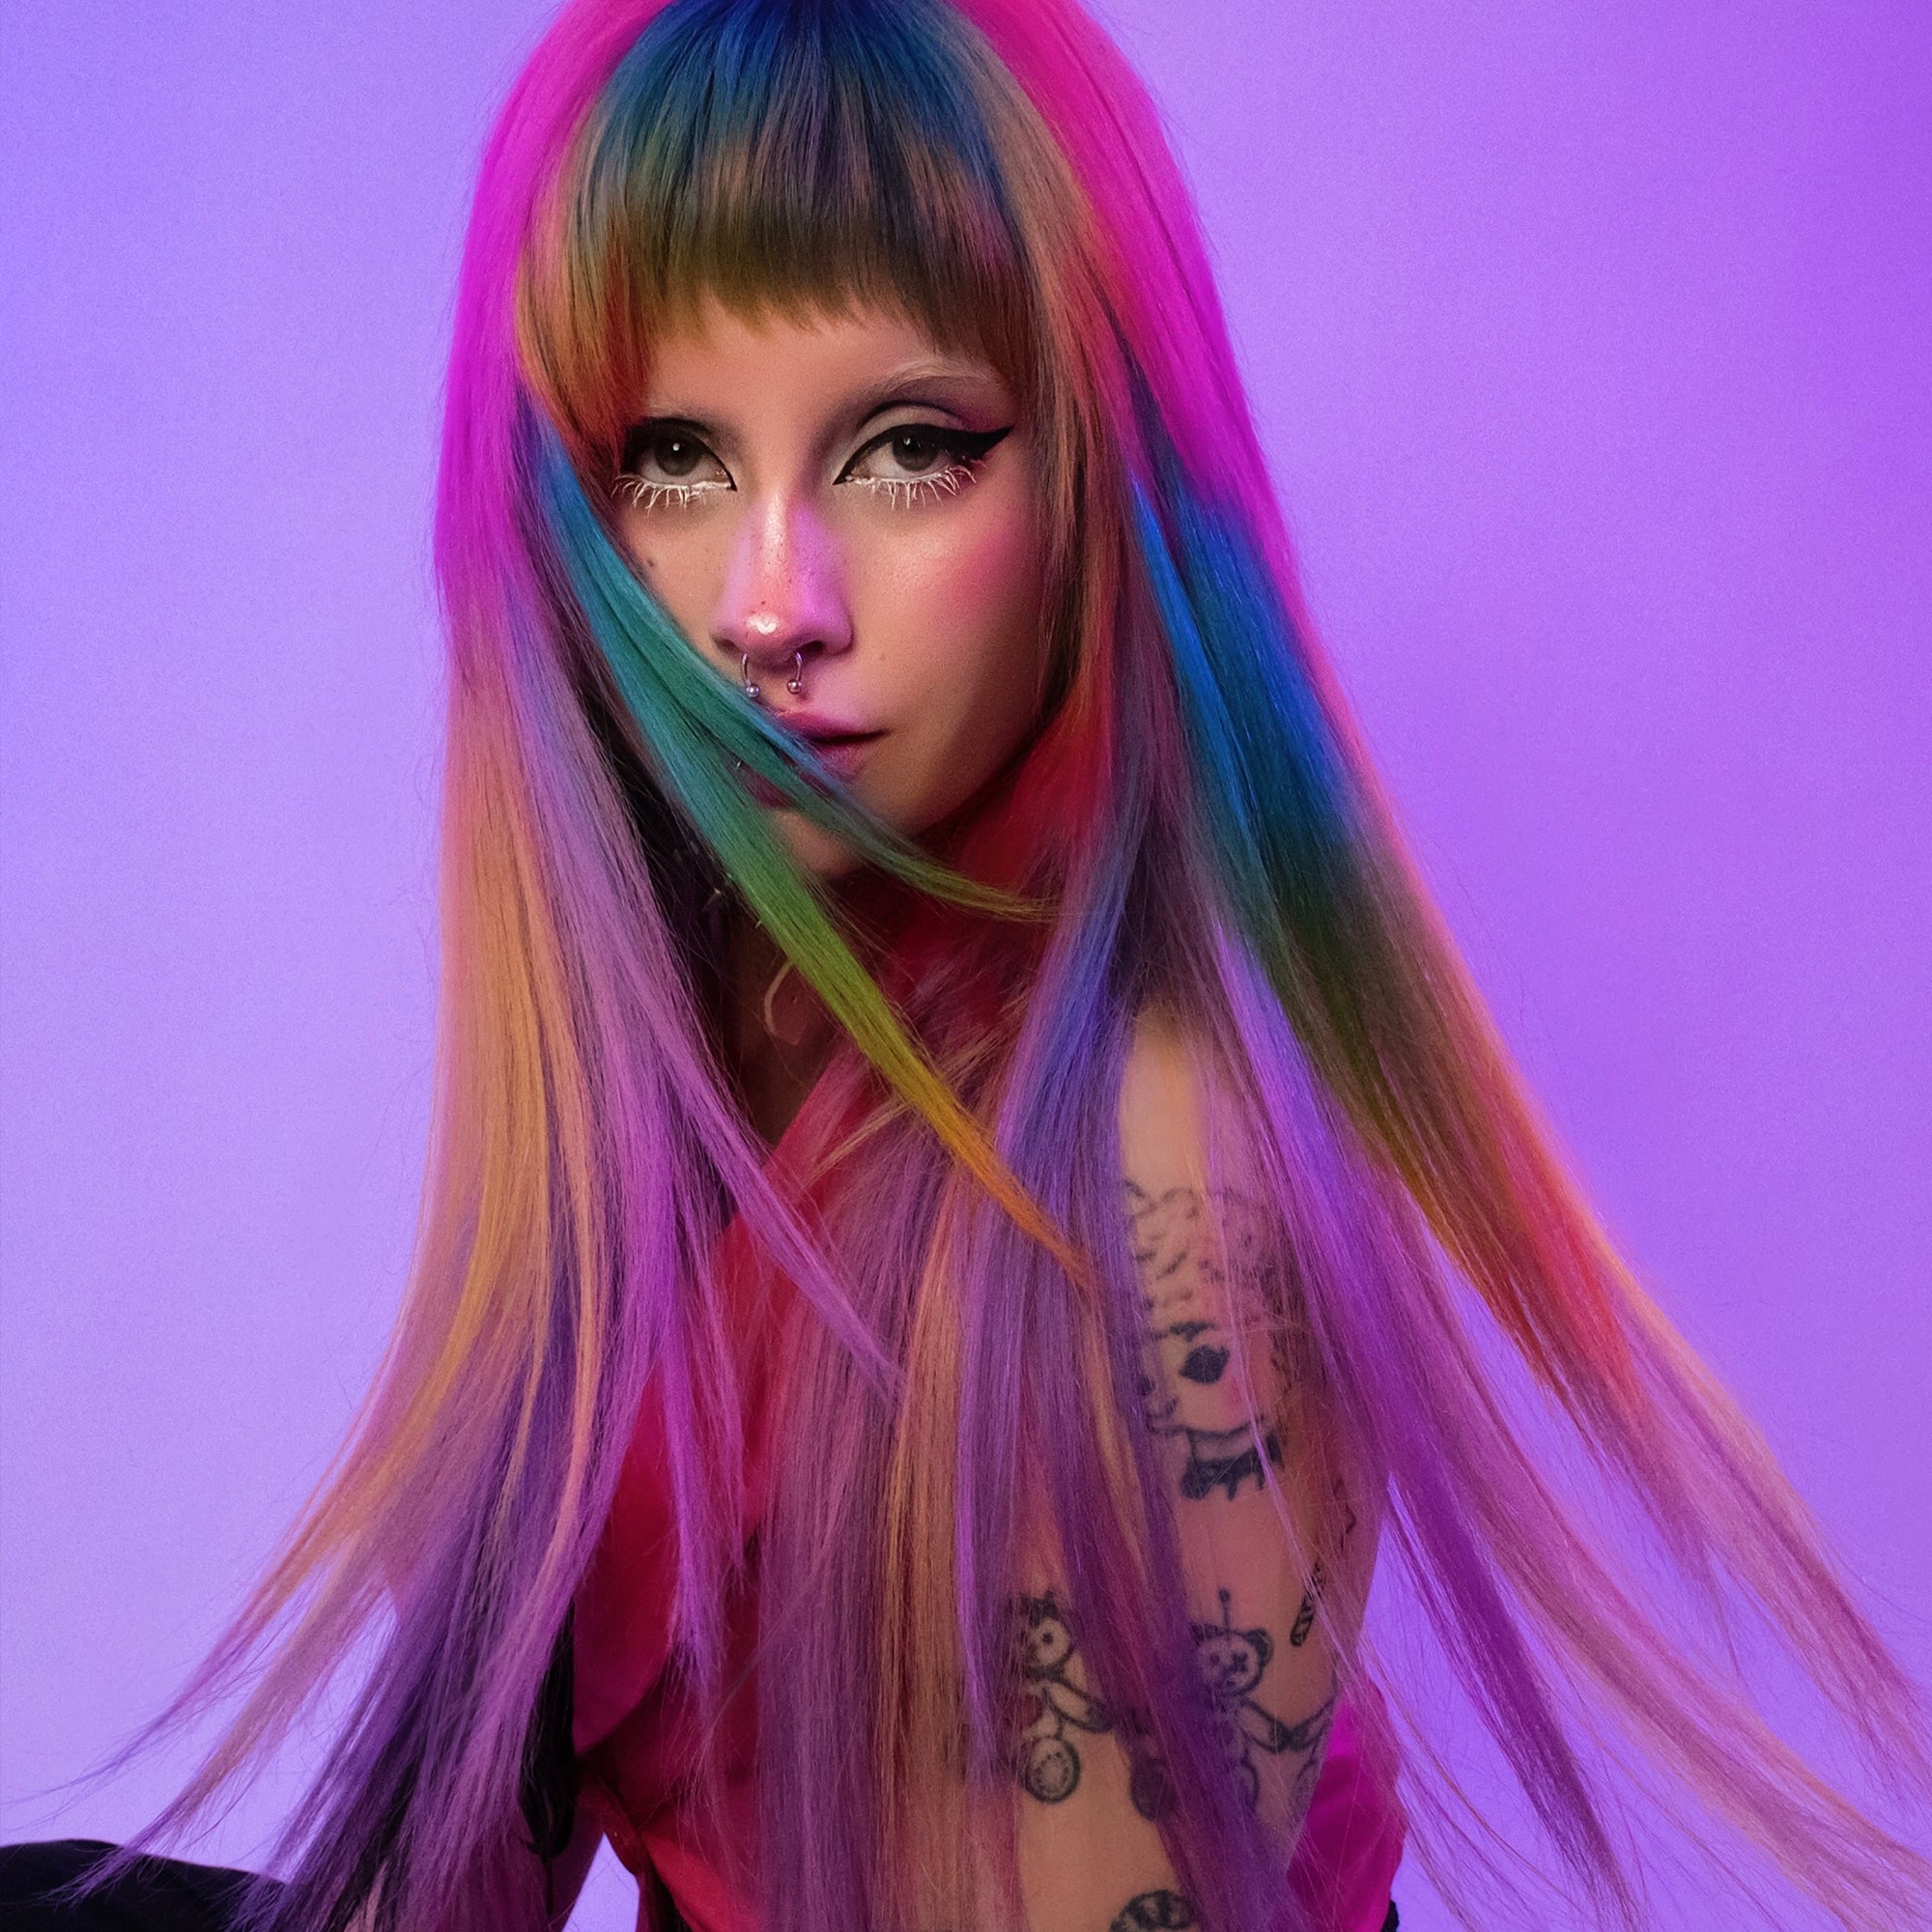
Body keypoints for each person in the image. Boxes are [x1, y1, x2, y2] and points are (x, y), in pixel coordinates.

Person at [4, 0, 1927, 1927]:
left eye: (908, 449)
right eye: (674, 458)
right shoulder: (654, 1063)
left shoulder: (1154, 1198)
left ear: (1096, 480)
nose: (773, 604)